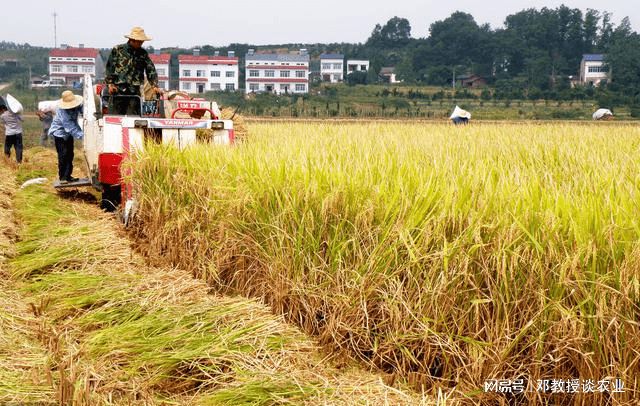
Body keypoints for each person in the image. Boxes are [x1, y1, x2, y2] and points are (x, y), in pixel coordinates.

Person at [104, 26, 161, 115]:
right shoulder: (118, 50)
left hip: (134, 91)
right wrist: (110, 84)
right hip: (118, 89)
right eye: (139, 42)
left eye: (142, 42)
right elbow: (110, 68)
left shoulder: (143, 53)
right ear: (132, 40)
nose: (141, 43)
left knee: (133, 117)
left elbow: (150, 69)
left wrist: (154, 85)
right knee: (116, 118)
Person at [49, 90, 84, 183]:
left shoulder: (76, 106)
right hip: (60, 134)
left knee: (70, 154)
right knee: (63, 155)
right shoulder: (62, 111)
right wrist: (84, 136)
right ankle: (63, 177)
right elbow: (70, 127)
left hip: (68, 134)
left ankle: (68, 176)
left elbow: (83, 110)